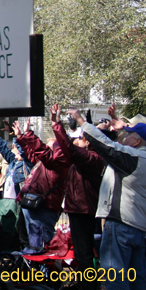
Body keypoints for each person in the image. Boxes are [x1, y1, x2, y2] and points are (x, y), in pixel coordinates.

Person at [68, 105, 146, 290]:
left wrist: (81, 121)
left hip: (122, 224)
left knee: (116, 280)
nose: (124, 136)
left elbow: (107, 146)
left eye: (129, 134)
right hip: (139, 228)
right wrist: (120, 128)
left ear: (137, 142)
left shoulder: (133, 158)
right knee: (137, 281)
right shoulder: (138, 157)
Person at [51, 104, 104, 290]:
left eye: (80, 138)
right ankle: (86, 285)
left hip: (84, 211)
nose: (76, 141)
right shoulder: (83, 159)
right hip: (77, 210)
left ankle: (89, 286)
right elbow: (55, 155)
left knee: (84, 254)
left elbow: (70, 150)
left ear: (89, 142)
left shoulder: (93, 158)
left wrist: (57, 125)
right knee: (82, 254)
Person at [13, 118, 69, 254]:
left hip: (44, 209)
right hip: (34, 206)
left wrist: (29, 134)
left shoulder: (58, 164)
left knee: (42, 247)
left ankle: (46, 268)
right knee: (33, 245)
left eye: (50, 147)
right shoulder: (45, 163)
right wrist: (21, 137)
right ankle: (35, 265)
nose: (46, 148)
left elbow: (43, 152)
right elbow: (31, 154)